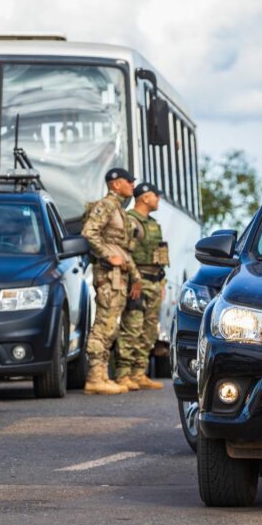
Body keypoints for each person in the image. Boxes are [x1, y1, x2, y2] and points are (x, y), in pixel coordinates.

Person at [80, 168, 143, 395]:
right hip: (108, 275)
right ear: (116, 184)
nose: (132, 185)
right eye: (129, 181)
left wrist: (135, 277)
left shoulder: (119, 209)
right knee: (103, 325)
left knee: (111, 326)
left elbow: (123, 249)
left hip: (119, 277)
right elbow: (89, 233)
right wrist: (107, 256)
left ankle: (103, 376)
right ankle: (95, 377)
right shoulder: (106, 205)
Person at [116, 182, 169, 391]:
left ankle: (139, 373)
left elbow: (160, 255)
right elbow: (125, 253)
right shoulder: (130, 221)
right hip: (136, 282)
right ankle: (123, 374)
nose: (158, 200)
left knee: (148, 331)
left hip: (154, 281)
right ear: (145, 197)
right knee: (132, 327)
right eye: (156, 196)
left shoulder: (154, 224)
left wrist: (162, 281)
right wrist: (133, 280)